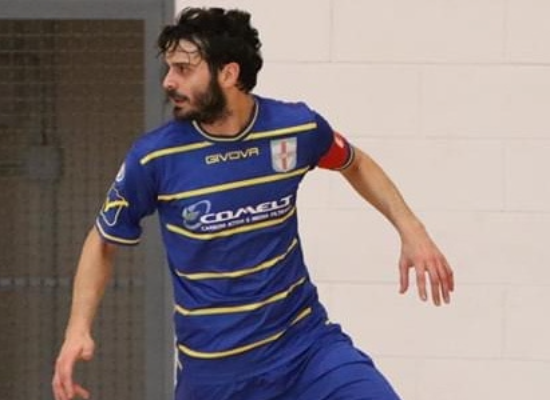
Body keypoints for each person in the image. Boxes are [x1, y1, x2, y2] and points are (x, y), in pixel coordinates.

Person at [52, 7, 454, 400]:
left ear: (229, 74)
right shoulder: (154, 157)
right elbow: (103, 240)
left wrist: (411, 230)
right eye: (169, 68)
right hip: (215, 375)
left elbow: (355, 163)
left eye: (184, 69)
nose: (169, 81)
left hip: (307, 350)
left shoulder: (296, 127)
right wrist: (77, 329)